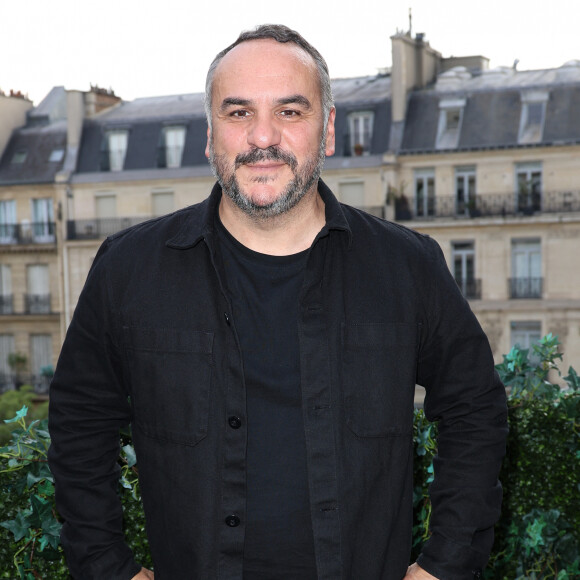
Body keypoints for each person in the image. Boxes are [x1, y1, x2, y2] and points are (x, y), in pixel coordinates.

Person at [48, 24, 508, 580]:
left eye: (290, 112)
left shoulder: (407, 266)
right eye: (238, 113)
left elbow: (474, 408)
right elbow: (79, 421)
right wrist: (106, 568)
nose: (262, 137)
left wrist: (444, 566)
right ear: (210, 133)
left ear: (328, 129)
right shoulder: (129, 269)